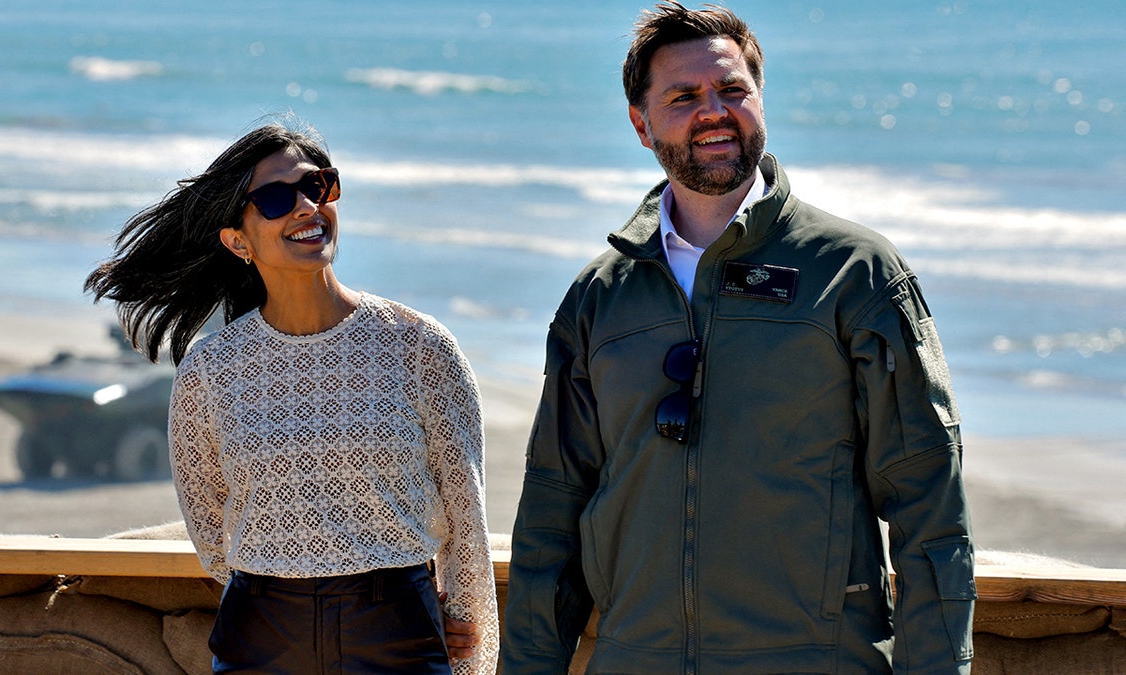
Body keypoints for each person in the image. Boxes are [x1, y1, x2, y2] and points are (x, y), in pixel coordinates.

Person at [502, 3, 975, 673]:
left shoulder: (856, 272)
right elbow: (552, 515)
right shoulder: (600, 298)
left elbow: (930, 510)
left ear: (760, 98)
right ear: (641, 123)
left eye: (732, 90)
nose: (713, 111)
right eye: (684, 96)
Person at [85, 119, 498, 674]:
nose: (306, 206)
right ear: (237, 240)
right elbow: (209, 527)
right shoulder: (210, 370)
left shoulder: (419, 346)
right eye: (277, 198)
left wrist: (468, 638)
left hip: (397, 632)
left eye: (318, 186)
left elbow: (464, 514)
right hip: (261, 638)